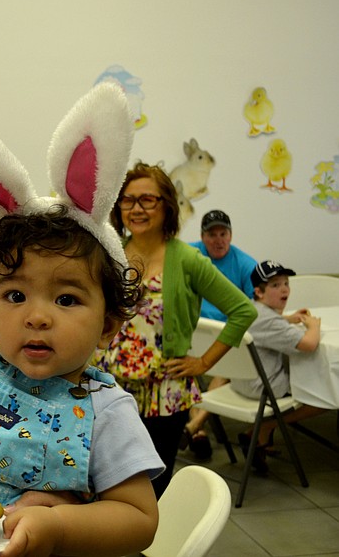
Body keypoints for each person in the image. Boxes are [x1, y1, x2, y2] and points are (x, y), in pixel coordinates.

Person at [0, 85, 163, 556]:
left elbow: (140, 519)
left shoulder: (106, 409)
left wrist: (63, 526)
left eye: (66, 299)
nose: (37, 317)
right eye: (16, 295)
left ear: (108, 325)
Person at [92, 161, 257, 498]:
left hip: (164, 393)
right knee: (103, 478)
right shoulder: (111, 254)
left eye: (147, 200)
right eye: (128, 199)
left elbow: (243, 310)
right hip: (109, 388)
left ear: (167, 205)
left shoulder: (188, 259)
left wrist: (204, 363)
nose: (137, 208)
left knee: (151, 485)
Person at [232, 260, 324, 472]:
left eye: (286, 283)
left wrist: (287, 319)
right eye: (275, 285)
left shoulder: (250, 310)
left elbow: (268, 323)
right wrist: (313, 326)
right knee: (326, 395)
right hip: (264, 389)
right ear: (259, 292)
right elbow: (309, 344)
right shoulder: (272, 322)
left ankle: (263, 433)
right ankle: (266, 426)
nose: (284, 289)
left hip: (241, 383)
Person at [183, 209, 258, 459]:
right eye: (212, 234)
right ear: (202, 237)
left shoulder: (245, 263)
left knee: (223, 368)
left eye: (223, 233)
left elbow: (257, 305)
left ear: (230, 235)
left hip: (222, 337)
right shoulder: (188, 254)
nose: (218, 240)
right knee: (180, 366)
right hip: (191, 331)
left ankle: (195, 427)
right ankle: (197, 429)